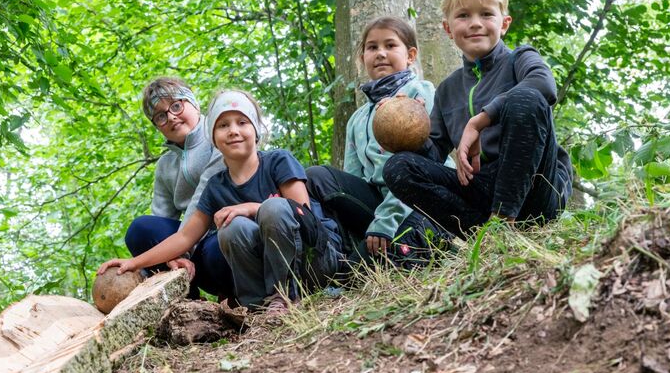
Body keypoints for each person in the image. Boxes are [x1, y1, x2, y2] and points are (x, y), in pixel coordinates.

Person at [101, 90, 343, 312]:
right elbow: (184, 237)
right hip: (265, 273)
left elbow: (305, 215)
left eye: (242, 122)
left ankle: (286, 295)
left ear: (256, 129)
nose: (233, 130)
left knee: (273, 208)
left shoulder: (278, 161)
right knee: (232, 226)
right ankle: (255, 305)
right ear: (213, 138)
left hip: (314, 262)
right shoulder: (216, 187)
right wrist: (134, 263)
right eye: (223, 125)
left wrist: (250, 208)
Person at [381, 0, 572, 237]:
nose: (475, 24)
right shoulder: (448, 89)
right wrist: (406, 124)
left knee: (525, 98)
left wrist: (483, 118)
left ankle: (503, 219)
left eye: (486, 14)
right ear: (448, 28)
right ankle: (483, 235)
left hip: (537, 186)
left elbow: (544, 86)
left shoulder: (520, 59)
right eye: (463, 16)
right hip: (482, 190)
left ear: (504, 23)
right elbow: (432, 153)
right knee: (398, 167)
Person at [306, 16, 447, 268]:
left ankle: (409, 243)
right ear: (362, 58)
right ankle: (334, 249)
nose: (381, 53)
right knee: (316, 176)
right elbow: (353, 180)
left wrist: (385, 222)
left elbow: (421, 169)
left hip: (422, 205)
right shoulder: (357, 119)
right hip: (379, 209)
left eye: (390, 45)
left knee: (357, 272)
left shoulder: (421, 93)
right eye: (372, 47)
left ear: (411, 55)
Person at [124, 77, 232, 298]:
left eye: (176, 105)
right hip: (191, 247)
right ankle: (184, 301)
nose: (171, 117)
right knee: (140, 229)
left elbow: (205, 197)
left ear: (194, 103)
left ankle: (236, 296)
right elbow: (160, 219)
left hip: (229, 237)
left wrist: (180, 248)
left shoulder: (220, 133)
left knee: (218, 247)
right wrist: (168, 255)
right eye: (160, 116)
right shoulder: (165, 166)